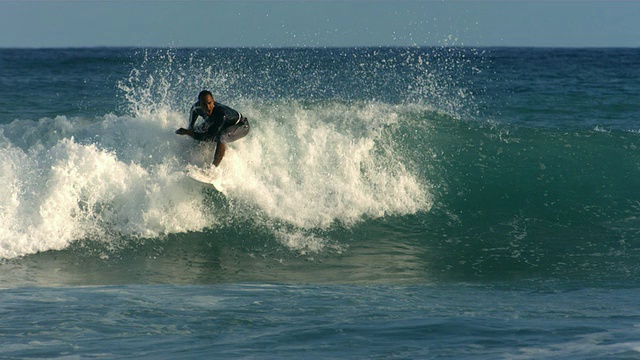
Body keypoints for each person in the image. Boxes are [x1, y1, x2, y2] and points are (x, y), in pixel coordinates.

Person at [175, 90, 250, 167]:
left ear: (213, 102)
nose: (208, 107)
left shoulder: (221, 113)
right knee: (198, 130)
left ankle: (213, 168)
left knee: (221, 137)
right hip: (220, 124)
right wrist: (189, 132)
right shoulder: (195, 109)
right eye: (204, 104)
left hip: (241, 126)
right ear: (199, 104)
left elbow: (208, 136)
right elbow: (191, 128)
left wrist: (187, 133)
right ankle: (186, 159)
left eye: (209, 103)